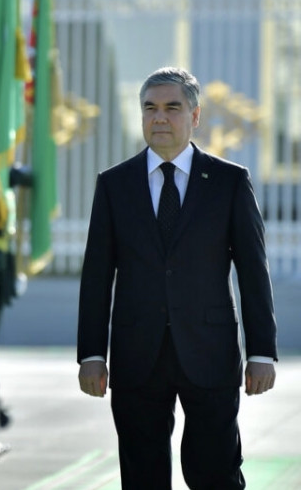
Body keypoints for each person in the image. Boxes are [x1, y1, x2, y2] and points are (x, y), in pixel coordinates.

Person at [77, 66, 278, 489]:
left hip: (210, 352)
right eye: (150, 108)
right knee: (142, 476)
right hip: (137, 356)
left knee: (215, 472)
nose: (160, 118)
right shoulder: (114, 185)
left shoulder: (229, 182)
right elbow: (97, 274)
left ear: (195, 116)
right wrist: (91, 354)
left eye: (172, 107)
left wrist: (262, 351)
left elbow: (253, 272)